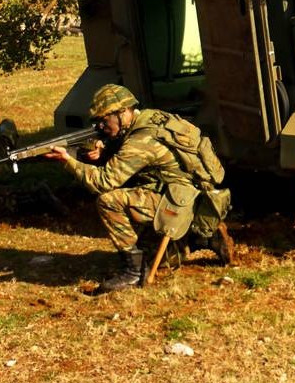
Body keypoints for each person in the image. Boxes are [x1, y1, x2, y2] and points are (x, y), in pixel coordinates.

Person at [46, 84, 232, 291]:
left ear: (123, 112)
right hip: (188, 193)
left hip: (177, 202)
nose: (101, 126)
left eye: (104, 120)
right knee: (154, 256)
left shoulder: (140, 140)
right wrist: (106, 150)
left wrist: (67, 161)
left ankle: (134, 273)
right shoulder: (151, 118)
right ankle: (203, 237)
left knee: (108, 201)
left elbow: (103, 182)